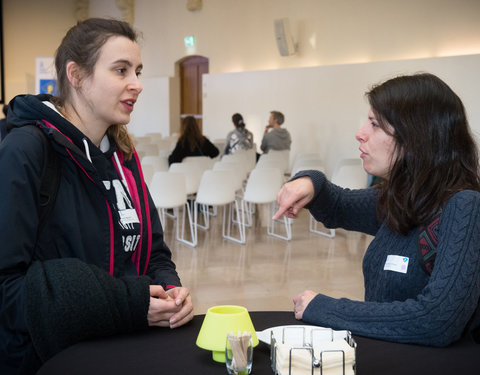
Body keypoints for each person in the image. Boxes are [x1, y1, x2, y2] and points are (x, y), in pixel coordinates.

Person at [0, 18, 193, 374]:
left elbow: (154, 251)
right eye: (121, 70)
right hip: (50, 360)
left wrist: (170, 289)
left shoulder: (122, 153)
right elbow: (8, 290)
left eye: (137, 71)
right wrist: (127, 303)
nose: (136, 84)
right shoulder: (26, 149)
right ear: (75, 75)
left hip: (122, 346)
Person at [273, 73, 480, 347]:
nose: (360, 133)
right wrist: (310, 180)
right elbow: (337, 205)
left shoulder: (465, 206)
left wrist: (324, 307)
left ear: (415, 136)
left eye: (374, 124)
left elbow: (436, 320)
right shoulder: (405, 198)